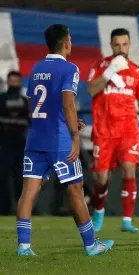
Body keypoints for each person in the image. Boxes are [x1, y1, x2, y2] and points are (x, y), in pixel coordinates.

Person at [16, 24, 114, 256]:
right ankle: (91, 245)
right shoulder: (69, 69)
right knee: (75, 190)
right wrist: (74, 136)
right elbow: (68, 104)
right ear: (66, 42)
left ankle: (24, 246)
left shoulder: (36, 68)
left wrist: (62, 120)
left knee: (28, 192)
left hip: (35, 140)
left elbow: (33, 107)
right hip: (60, 142)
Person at [87, 28, 139, 233]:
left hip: (128, 130)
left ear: (129, 45)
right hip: (104, 131)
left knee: (129, 170)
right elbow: (91, 89)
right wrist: (109, 72)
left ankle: (127, 220)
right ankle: (99, 211)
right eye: (117, 44)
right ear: (111, 45)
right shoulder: (100, 66)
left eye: (125, 44)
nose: (121, 48)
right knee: (101, 178)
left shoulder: (136, 71)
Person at [0, 71, 29, 215]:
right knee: (2, 178)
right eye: (11, 81)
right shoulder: (1, 99)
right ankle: (3, 209)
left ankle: (22, 210)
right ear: (7, 82)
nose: (14, 84)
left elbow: (31, 122)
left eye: (16, 81)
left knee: (21, 180)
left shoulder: (25, 101)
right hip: (4, 145)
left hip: (20, 145)